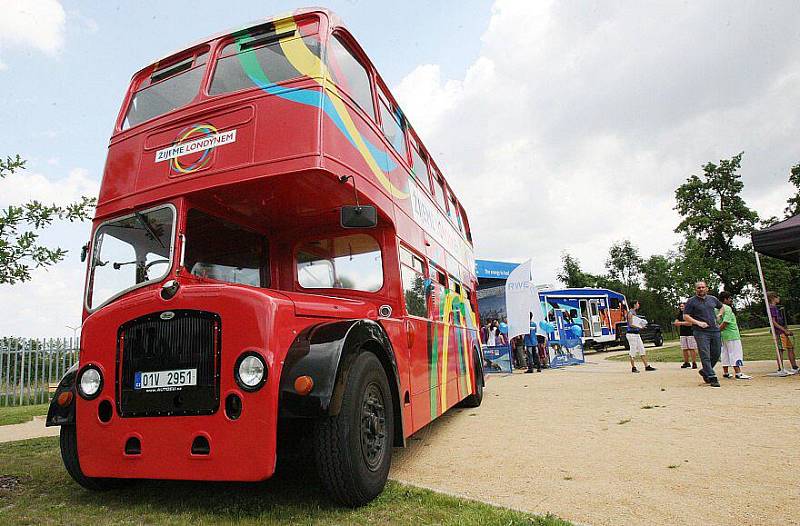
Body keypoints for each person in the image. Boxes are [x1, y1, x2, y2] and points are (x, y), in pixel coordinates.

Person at [682, 281, 723, 388]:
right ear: (696, 289)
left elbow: (721, 306)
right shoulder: (691, 301)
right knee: (705, 354)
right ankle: (712, 376)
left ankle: (705, 371)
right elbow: (686, 316)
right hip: (700, 332)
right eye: (698, 288)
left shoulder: (712, 299)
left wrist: (719, 314)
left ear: (707, 288)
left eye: (703, 287)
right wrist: (698, 323)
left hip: (714, 330)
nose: (701, 289)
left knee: (716, 353)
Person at [717, 291, 751, 380]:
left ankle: (726, 372)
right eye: (730, 298)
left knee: (725, 353)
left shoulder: (716, 308)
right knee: (735, 353)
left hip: (723, 336)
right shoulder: (727, 308)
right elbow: (726, 321)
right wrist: (717, 330)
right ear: (725, 299)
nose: (731, 300)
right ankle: (738, 373)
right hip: (732, 334)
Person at [767, 292, 798, 373]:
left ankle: (794, 367)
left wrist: (786, 330)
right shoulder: (772, 308)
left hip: (783, 331)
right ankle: (780, 368)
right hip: (779, 332)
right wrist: (784, 330)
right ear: (773, 298)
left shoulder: (776, 308)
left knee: (790, 348)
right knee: (780, 350)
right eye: (777, 296)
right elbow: (773, 322)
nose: (779, 298)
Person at [626, 300, 656, 373]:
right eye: (637, 303)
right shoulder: (630, 313)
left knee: (642, 349)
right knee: (633, 351)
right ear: (634, 305)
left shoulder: (634, 313)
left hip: (636, 334)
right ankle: (633, 367)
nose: (638, 305)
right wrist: (640, 327)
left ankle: (647, 366)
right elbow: (630, 324)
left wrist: (641, 325)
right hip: (631, 334)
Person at [673, 302, 698, 369]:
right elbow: (676, 322)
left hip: (690, 333)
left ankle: (694, 362)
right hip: (682, 333)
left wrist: (680, 323)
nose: (681, 308)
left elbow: (690, 323)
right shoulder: (679, 315)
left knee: (691, 348)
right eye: (680, 306)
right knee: (684, 348)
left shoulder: (690, 314)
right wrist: (679, 323)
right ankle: (686, 362)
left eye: (683, 306)